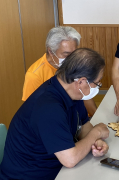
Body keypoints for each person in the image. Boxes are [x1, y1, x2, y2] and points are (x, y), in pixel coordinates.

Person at [0, 48, 109, 180]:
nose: (97, 87)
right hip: (29, 175)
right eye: (97, 83)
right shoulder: (49, 107)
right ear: (81, 82)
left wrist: (96, 143)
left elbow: (83, 124)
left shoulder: (72, 91)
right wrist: (96, 133)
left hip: (56, 167)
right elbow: (70, 159)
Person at [22, 26, 98, 116]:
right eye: (66, 54)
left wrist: (97, 117)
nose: (72, 59)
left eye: (74, 53)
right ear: (50, 51)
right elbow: (32, 110)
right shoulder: (35, 75)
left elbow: (85, 93)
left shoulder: (76, 63)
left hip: (78, 117)